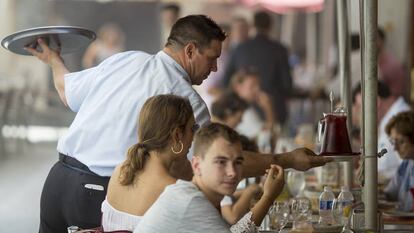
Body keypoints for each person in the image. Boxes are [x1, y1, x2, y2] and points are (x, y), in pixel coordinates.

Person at [26, 14, 330, 232]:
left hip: (56, 182)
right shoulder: (190, 104)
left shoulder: (127, 58)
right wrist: (286, 160)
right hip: (96, 191)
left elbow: (67, 91)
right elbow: (221, 163)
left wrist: (53, 59)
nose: (215, 68)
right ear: (190, 51)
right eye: (212, 58)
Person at [135, 123, 285, 233]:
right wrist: (268, 197)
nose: (232, 172)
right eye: (221, 162)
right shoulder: (191, 201)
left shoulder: (188, 193)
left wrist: (268, 196)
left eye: (238, 162)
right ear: (197, 165)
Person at [102, 94, 195, 231]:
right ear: (177, 135)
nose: (193, 137)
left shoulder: (120, 170)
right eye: (192, 128)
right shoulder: (173, 192)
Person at [223, 11, 292, 127]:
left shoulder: (240, 48)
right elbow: (287, 85)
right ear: (270, 26)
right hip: (275, 109)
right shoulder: (279, 49)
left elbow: (226, 81)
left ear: (253, 25)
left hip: (244, 112)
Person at [352, 81, 411, 181]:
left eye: (361, 107)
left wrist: (375, 177)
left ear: (376, 102)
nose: (360, 114)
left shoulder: (402, 119)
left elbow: (408, 172)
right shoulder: (388, 119)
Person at [384, 111, 414, 211]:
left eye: (401, 141)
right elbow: (390, 195)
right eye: (393, 141)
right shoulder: (406, 165)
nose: (395, 148)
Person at [377, 27, 407, 98]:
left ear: (382, 41)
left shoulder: (393, 65)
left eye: (374, 38)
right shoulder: (359, 64)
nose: (370, 42)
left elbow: (397, 93)